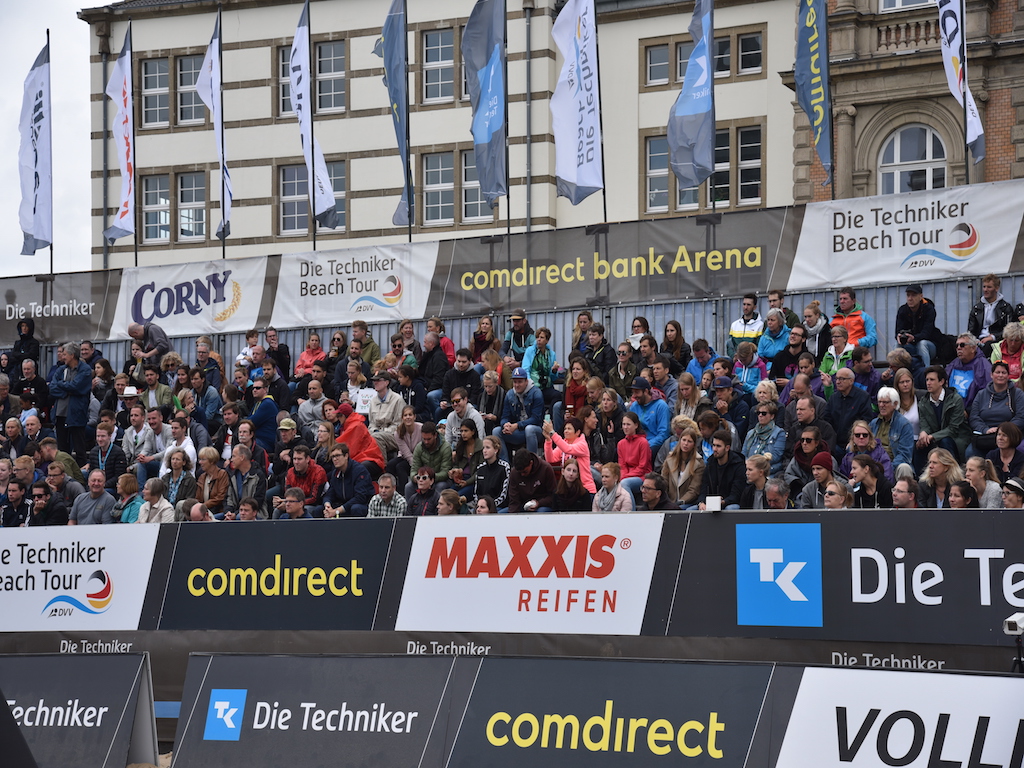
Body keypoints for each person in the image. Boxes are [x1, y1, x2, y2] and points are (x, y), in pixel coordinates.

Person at [915, 365, 971, 469]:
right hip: (935, 437)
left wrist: (932, 436)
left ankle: (951, 474)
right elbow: (924, 423)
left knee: (945, 441)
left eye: (932, 380)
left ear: (941, 382)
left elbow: (953, 429)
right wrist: (923, 433)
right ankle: (921, 480)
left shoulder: (955, 399)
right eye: (927, 379)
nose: (928, 383)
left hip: (957, 438)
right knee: (919, 445)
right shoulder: (923, 401)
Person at [968, 361, 1024, 456]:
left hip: (1009, 435)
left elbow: (1020, 417)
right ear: (991, 375)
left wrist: (1003, 430)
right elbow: (974, 417)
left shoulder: (1018, 394)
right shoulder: (981, 394)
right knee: (970, 452)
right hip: (986, 435)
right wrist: (985, 429)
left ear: (1008, 376)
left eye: (1004, 373)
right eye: (997, 372)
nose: (1000, 375)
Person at [49, 342, 92, 463]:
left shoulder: (85, 370)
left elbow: (76, 386)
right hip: (60, 413)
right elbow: (52, 388)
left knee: (79, 448)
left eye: (65, 354)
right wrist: (66, 391)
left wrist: (62, 385)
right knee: (62, 449)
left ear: (72, 355)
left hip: (76, 414)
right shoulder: (61, 370)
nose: (63, 357)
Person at [496, 367, 545, 459]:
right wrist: (506, 425)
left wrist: (517, 425)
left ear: (526, 381)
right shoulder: (510, 394)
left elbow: (536, 419)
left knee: (529, 429)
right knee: (497, 431)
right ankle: (505, 465)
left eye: (520, 382)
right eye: (515, 382)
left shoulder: (536, 393)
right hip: (517, 431)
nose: (517, 385)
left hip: (536, 431)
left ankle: (532, 462)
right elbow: (504, 416)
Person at [826, 366, 874, 456]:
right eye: (836, 379)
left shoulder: (863, 397)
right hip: (836, 443)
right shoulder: (833, 398)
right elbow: (827, 420)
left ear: (851, 381)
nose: (837, 382)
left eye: (842, 379)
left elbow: (866, 420)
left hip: (855, 443)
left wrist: (853, 440)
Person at [543, 415, 597, 493]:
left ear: (577, 432)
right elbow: (550, 459)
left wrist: (552, 432)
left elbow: (567, 449)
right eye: (565, 429)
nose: (566, 431)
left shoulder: (582, 444)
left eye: (569, 429)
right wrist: (548, 440)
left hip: (585, 489)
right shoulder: (564, 443)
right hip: (569, 489)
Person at [697, 429, 746, 511]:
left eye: (718, 446)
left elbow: (736, 494)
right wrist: (701, 502)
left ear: (727, 448)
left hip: (729, 504)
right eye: (713, 445)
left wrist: (723, 502)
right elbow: (703, 489)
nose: (714, 449)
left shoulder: (738, 465)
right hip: (710, 504)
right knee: (691, 509)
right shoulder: (710, 464)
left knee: (731, 508)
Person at [871, 387, 914, 478]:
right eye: (879, 402)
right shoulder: (873, 423)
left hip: (894, 464)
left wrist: (888, 467)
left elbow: (904, 455)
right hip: (874, 463)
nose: (882, 405)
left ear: (895, 404)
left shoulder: (904, 425)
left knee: (904, 467)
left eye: (885, 402)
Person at [895, 284, 941, 368]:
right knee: (898, 345)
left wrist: (914, 338)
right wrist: (899, 337)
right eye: (908, 295)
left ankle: (925, 374)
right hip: (911, 345)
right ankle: (896, 375)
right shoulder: (902, 310)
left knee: (922, 344)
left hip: (929, 347)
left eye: (913, 295)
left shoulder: (929, 309)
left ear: (921, 296)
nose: (910, 298)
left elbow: (926, 333)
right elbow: (898, 331)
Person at [968, 273, 1016, 354]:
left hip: (996, 341)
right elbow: (971, 330)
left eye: (989, 287)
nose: (985, 290)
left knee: (988, 346)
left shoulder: (1006, 307)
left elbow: (1009, 330)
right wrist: (975, 340)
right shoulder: (977, 308)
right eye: (984, 286)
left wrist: (993, 337)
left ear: (996, 288)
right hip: (979, 340)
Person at [323, 443, 373, 517]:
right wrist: (327, 506)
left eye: (337, 456)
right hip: (342, 504)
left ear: (346, 456)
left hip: (361, 505)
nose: (334, 459)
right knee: (319, 509)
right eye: (333, 456)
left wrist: (337, 511)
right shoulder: (335, 473)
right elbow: (329, 494)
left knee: (356, 508)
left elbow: (360, 497)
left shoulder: (359, 470)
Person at [786, 425, 834, 498]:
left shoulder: (828, 459)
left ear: (816, 443)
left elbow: (834, 477)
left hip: (824, 494)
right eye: (802, 440)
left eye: (808, 440)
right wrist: (797, 483)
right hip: (800, 494)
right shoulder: (797, 458)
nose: (804, 443)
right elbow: (788, 475)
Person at [662, 426, 704, 508]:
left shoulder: (699, 463)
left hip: (687, 503)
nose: (685, 444)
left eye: (689, 441)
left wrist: (680, 502)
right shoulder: (670, 459)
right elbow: (664, 482)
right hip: (669, 501)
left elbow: (694, 490)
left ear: (694, 444)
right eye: (684, 440)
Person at [947, 333, 992, 408]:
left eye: (962, 345)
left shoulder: (984, 366)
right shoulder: (953, 364)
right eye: (956, 345)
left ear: (973, 348)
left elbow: (987, 393)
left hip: (974, 410)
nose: (958, 348)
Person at [223, 444, 267, 519]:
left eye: (233, 456)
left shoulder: (258, 476)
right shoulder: (232, 476)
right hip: (235, 512)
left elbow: (257, 501)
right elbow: (228, 497)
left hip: (254, 514)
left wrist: (237, 513)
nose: (231, 460)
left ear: (242, 457)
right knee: (215, 519)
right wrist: (228, 512)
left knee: (238, 517)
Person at [468, 435, 511, 511]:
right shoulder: (480, 468)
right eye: (483, 448)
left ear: (496, 450)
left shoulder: (504, 467)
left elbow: (504, 495)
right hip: (481, 507)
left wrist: (489, 507)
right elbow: (476, 493)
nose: (484, 451)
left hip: (498, 507)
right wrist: (481, 506)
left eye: (488, 447)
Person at [743, 401, 786, 475]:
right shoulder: (751, 433)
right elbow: (744, 453)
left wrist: (756, 464)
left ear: (772, 416)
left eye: (764, 413)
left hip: (769, 472)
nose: (760, 415)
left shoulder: (779, 433)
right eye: (758, 413)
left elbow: (776, 456)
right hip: (748, 470)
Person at [617, 411, 652, 502]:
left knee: (624, 483)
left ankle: (630, 510)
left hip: (642, 476)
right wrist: (623, 476)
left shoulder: (643, 443)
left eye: (628, 424)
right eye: (623, 424)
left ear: (636, 425)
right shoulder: (621, 444)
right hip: (626, 476)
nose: (625, 427)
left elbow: (642, 467)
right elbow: (622, 466)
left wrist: (625, 477)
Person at [507, 450, 556, 514]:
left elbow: (553, 496)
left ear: (531, 463)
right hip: (522, 506)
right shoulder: (514, 473)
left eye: (525, 471)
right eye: (520, 472)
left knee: (541, 512)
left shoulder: (546, 469)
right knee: (501, 514)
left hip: (542, 506)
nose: (522, 474)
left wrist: (539, 503)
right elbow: (514, 500)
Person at [521, 327, 559, 408]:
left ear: (547, 340)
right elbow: (525, 369)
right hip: (533, 387)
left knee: (558, 395)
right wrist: (529, 384)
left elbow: (553, 378)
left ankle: (551, 418)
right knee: (538, 397)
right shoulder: (530, 351)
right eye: (537, 337)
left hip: (546, 386)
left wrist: (554, 371)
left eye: (541, 337)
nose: (538, 340)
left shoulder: (551, 354)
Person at [709, 375, 749, 442]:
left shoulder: (742, 406)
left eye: (722, 390)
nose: (718, 394)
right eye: (717, 391)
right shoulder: (716, 403)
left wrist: (725, 414)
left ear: (730, 390)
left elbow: (737, 432)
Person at [162, 447, 198, 518]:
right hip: (165, 512)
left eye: (177, 459)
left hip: (181, 513)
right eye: (173, 459)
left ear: (184, 462)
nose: (174, 462)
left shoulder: (190, 480)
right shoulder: (165, 478)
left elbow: (189, 501)